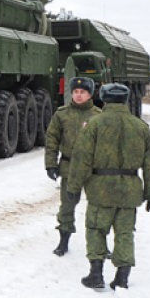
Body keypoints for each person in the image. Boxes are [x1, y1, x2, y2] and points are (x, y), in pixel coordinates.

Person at [66, 83, 150, 290]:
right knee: (125, 232)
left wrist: (73, 188)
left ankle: (96, 273)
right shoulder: (140, 127)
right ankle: (122, 276)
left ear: (104, 99)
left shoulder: (94, 124)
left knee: (96, 229)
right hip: (130, 190)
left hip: (100, 189)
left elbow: (81, 159)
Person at [44, 76, 100, 256]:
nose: (78, 95)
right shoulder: (62, 115)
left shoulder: (99, 116)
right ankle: (63, 240)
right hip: (69, 167)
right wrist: (50, 164)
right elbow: (52, 140)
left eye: (82, 92)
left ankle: (99, 244)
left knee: (98, 208)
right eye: (75, 92)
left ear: (90, 94)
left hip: (94, 170)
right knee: (67, 206)